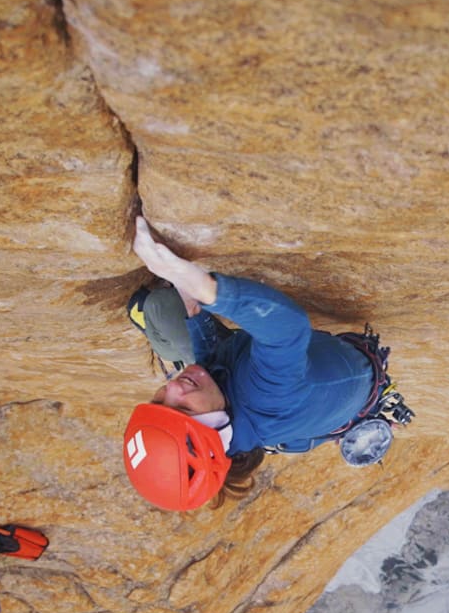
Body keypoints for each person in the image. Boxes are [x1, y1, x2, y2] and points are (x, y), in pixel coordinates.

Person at [124, 216, 408, 511]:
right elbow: (287, 330)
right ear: (216, 430)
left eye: (159, 399)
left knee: (166, 313)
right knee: (160, 310)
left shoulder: (225, 424)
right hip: (344, 372)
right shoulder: (264, 397)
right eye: (184, 409)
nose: (173, 387)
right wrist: (203, 286)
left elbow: (210, 357)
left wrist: (183, 284)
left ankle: (169, 324)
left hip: (302, 401)